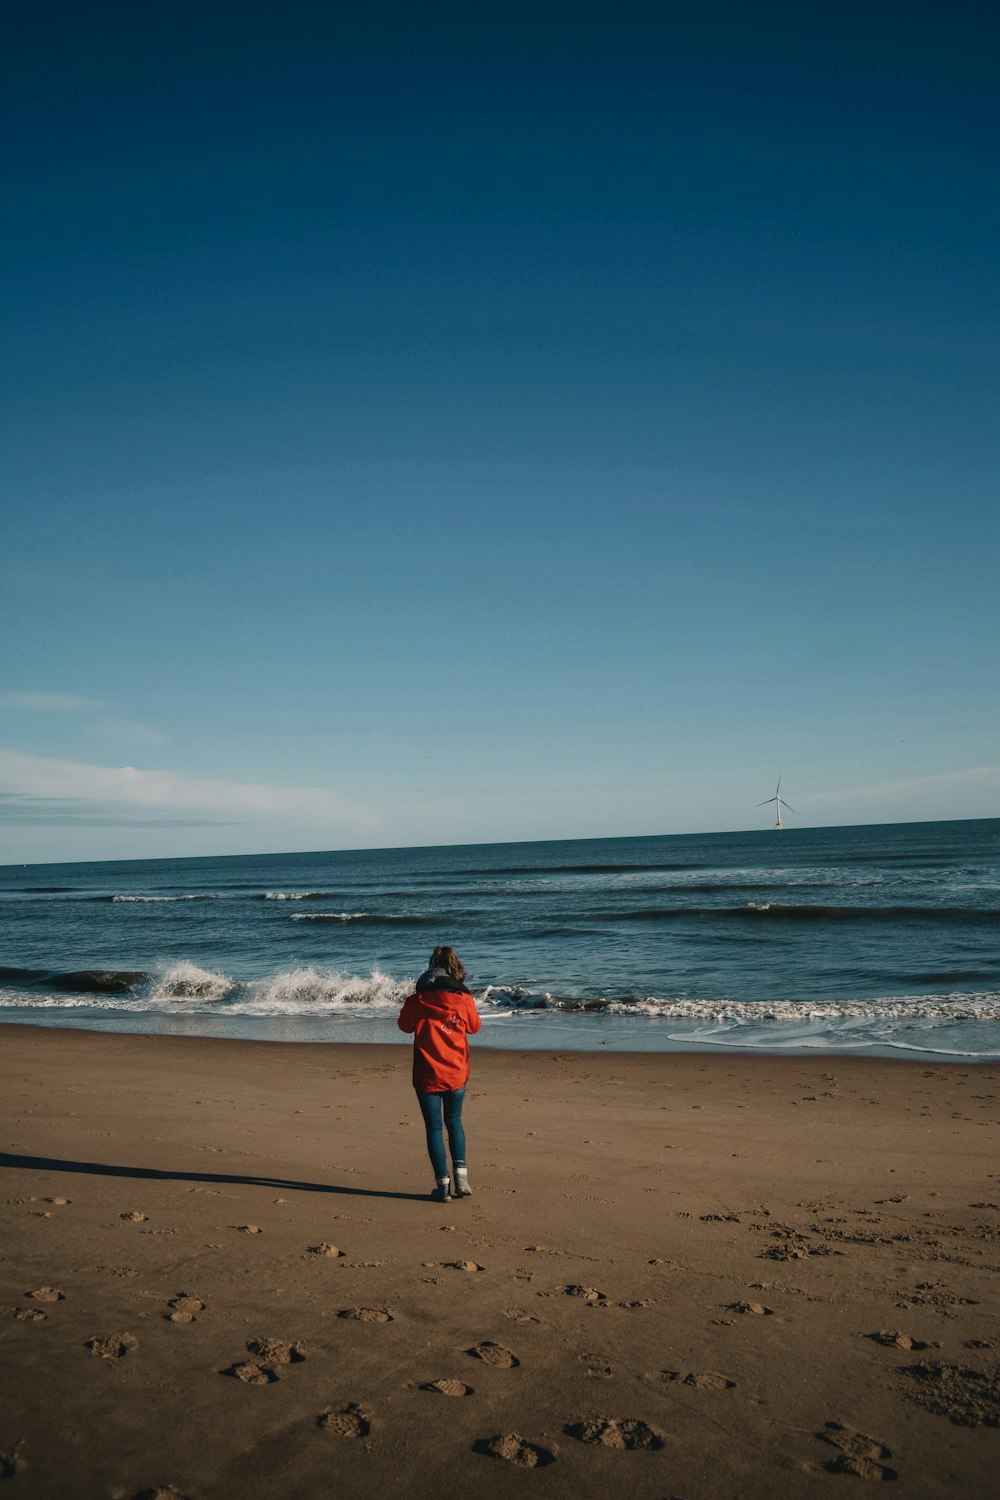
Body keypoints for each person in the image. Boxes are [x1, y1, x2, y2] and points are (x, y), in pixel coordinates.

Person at [398, 946, 481, 1202]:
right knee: (454, 1121)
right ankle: (462, 1178)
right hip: (456, 1072)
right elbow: (475, 1027)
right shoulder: (463, 999)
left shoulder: (418, 1001)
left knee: (434, 1127)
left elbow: (404, 1026)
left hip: (427, 1074)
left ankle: (442, 1185)